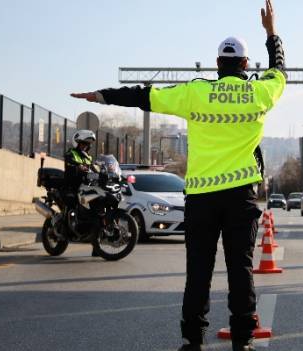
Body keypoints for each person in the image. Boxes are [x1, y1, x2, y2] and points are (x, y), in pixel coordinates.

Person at [71, 1, 285, 349]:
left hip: (201, 199)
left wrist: (101, 95)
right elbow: (279, 70)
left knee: (198, 272)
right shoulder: (260, 92)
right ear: (246, 65)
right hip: (240, 197)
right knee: (240, 270)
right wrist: (271, 33)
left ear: (218, 64)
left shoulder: (195, 92)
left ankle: (192, 339)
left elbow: (144, 96)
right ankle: (243, 339)